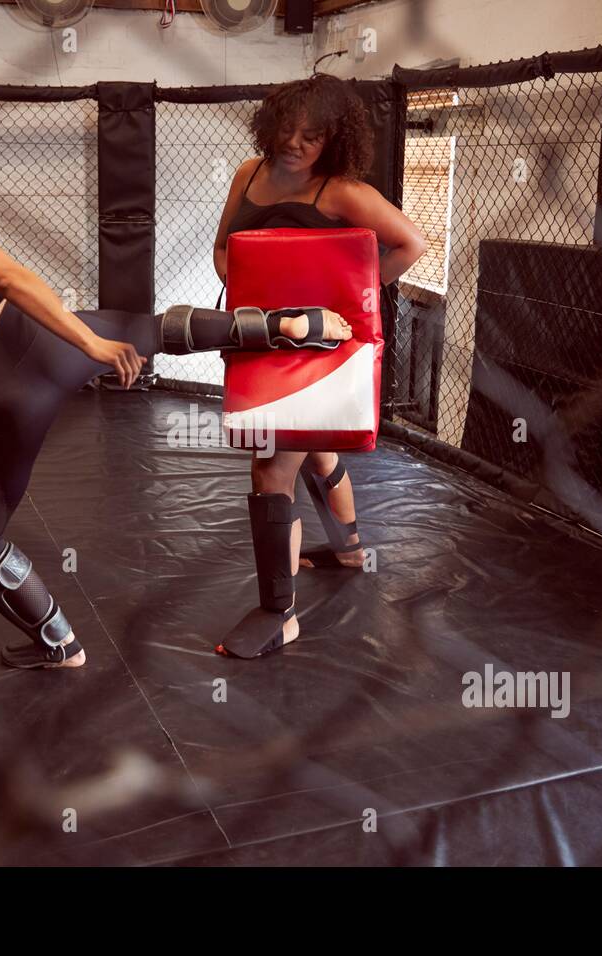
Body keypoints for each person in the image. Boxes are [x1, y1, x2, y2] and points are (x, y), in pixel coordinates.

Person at [0, 119, 353, 669]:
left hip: (0, 404)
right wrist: (92, 344)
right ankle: (291, 326)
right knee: (152, 328)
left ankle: (59, 644)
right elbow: (10, 279)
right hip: (49, 350)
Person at [213, 75, 429, 658]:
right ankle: (350, 550)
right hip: (261, 338)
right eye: (287, 129)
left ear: (332, 140)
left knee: (270, 467)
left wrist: (353, 301)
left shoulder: (341, 192)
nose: (295, 144)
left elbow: (411, 243)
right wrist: (249, 299)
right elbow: (223, 250)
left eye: (312, 136)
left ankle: (278, 614)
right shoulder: (247, 175)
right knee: (315, 447)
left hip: (315, 347)